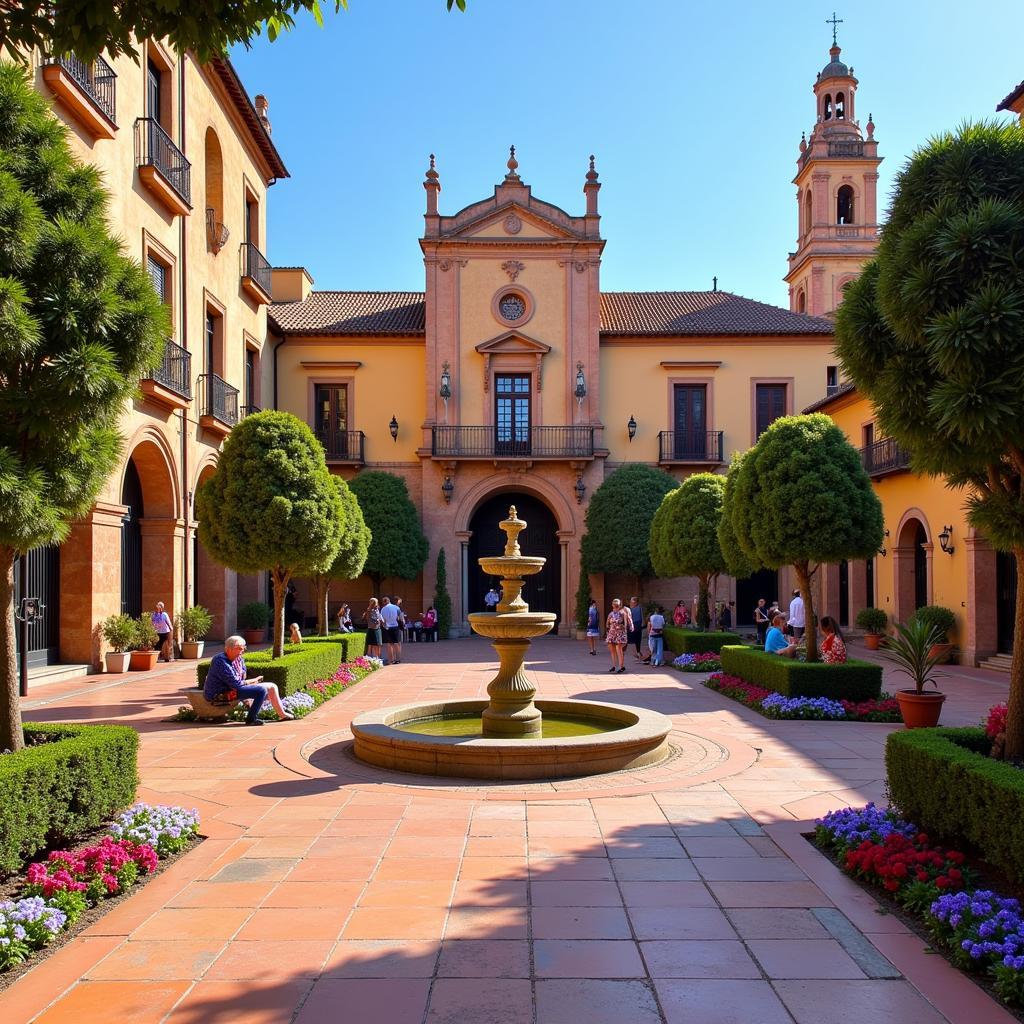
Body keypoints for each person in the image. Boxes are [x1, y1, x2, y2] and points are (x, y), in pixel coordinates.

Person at [204, 635, 293, 726]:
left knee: (272, 686)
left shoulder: (238, 659)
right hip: (219, 693)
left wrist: (249, 680)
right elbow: (236, 684)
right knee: (261, 690)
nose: (242, 651)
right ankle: (251, 719)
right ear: (229, 649)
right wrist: (253, 681)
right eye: (239, 648)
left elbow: (242, 676)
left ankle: (283, 715)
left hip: (232, 688)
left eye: (243, 648)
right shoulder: (220, 661)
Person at [605, 598, 630, 673]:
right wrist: (609, 628)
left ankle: (621, 666)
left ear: (619, 606)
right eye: (614, 605)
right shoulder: (610, 614)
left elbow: (626, 625)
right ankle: (614, 666)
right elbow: (607, 624)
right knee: (612, 650)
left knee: (618, 649)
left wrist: (621, 626)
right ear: (612, 605)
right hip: (612, 633)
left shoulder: (622, 613)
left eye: (617, 605)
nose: (616, 606)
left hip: (620, 633)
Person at [379, 595, 402, 665]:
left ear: (383, 602)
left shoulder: (382, 609)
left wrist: (384, 626)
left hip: (387, 628)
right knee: (397, 644)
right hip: (395, 626)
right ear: (389, 601)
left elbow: (382, 620)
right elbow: (400, 617)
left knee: (389, 644)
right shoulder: (396, 607)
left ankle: (391, 660)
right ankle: (398, 659)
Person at [628, 596, 644, 662]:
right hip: (635, 626)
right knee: (636, 640)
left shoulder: (637, 608)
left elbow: (641, 617)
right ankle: (638, 653)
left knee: (635, 640)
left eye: (631, 601)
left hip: (636, 626)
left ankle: (637, 653)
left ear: (635, 602)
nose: (630, 602)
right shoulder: (634, 608)